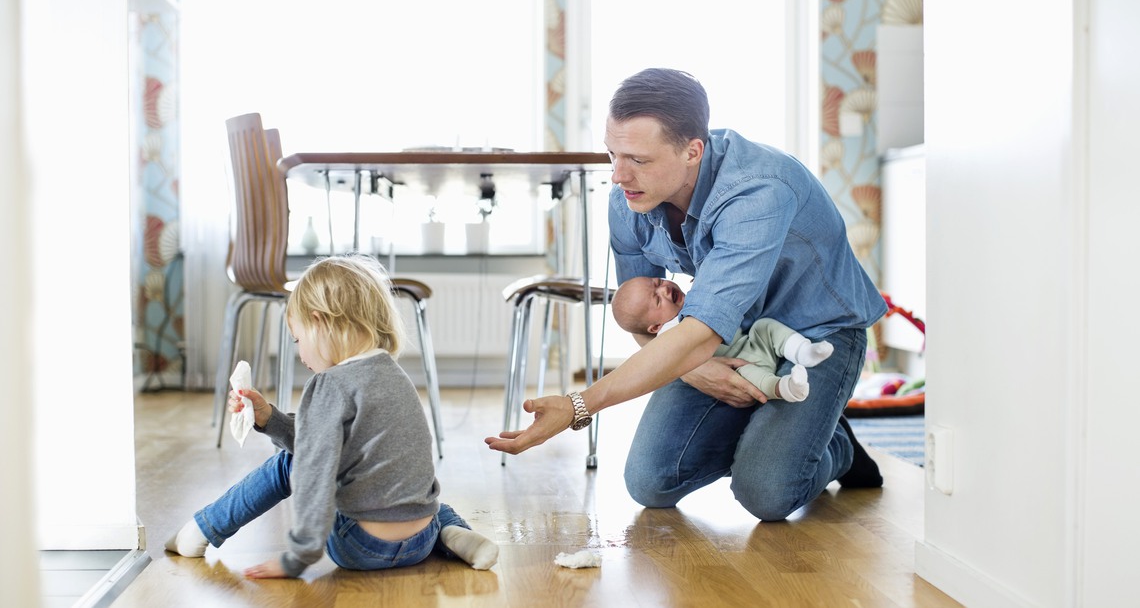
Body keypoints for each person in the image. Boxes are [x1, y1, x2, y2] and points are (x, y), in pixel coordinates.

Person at [486, 68, 888, 521]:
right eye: (612, 154)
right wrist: (697, 370)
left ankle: (832, 444)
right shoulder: (629, 199)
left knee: (766, 494)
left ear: (693, 151)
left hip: (817, 335)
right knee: (649, 482)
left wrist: (579, 406)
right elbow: (640, 318)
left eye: (637, 159)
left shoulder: (759, 191)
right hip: (729, 336)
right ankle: (785, 431)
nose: (618, 175)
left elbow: (695, 334)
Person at [166, 255, 498, 578]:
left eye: (298, 339)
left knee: (290, 463)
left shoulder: (329, 384)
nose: (300, 353)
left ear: (319, 321)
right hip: (420, 542)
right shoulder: (394, 374)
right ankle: (455, 534)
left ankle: (201, 530)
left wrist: (297, 557)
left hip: (361, 547)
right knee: (415, 491)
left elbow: (313, 469)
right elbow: (328, 439)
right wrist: (269, 418)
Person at [610, 275, 835, 402]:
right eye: (657, 301)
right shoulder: (668, 336)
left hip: (751, 340)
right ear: (656, 327)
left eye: (658, 283)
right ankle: (788, 388)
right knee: (753, 380)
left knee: (766, 327)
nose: (665, 291)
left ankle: (804, 351)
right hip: (736, 367)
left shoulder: (693, 297)